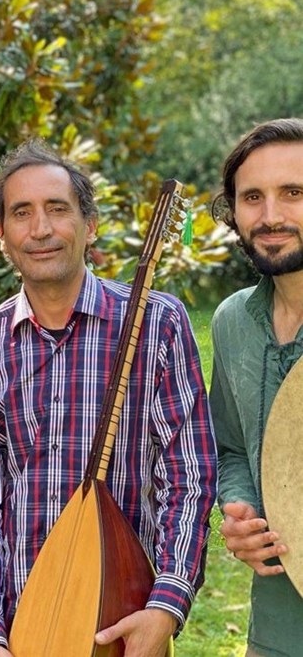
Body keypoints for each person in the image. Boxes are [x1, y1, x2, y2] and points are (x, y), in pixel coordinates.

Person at [0, 139, 217, 657]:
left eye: (58, 209)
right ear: (1, 234)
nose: (40, 229)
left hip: (121, 622)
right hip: (22, 629)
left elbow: (190, 477)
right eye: (21, 213)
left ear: (89, 224)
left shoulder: (156, 324)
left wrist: (165, 606)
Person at [210, 118, 303, 657]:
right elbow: (231, 447)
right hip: (275, 626)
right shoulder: (232, 322)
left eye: (294, 193)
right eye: (252, 197)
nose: (271, 216)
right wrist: (240, 505)